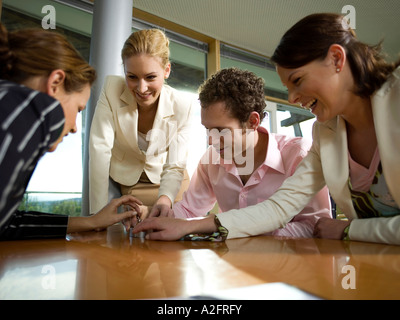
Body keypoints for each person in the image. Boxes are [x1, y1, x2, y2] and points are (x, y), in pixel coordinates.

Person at [133, 13, 400, 245]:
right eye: (288, 88)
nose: (293, 98)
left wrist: (351, 230)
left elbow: (313, 226)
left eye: (297, 81)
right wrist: (182, 223)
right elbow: (278, 208)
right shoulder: (326, 133)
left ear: (336, 59)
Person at [147, 67, 331, 239]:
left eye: (221, 130)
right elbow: (188, 211)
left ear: (252, 121)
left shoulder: (299, 155)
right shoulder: (211, 160)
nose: (211, 140)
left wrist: (236, 228)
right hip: (228, 266)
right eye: (208, 129)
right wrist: (149, 215)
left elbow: (315, 228)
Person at [0, 24, 142, 240]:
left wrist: (91, 222)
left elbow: (6, 223)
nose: (76, 127)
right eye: (78, 109)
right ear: (55, 83)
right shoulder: (38, 108)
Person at [89, 29, 194, 218]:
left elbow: (175, 164)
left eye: (150, 77)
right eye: (132, 77)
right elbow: (99, 148)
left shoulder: (182, 105)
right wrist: (96, 214)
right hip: (130, 183)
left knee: (176, 238)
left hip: (171, 183)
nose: (141, 88)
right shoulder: (111, 88)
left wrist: (165, 199)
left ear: (167, 71)